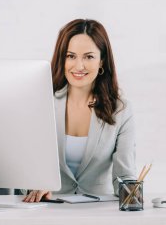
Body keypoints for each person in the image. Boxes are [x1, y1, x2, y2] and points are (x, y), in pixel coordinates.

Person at [23, 19, 136, 202]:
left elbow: (125, 176)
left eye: (89, 57)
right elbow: (25, 167)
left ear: (102, 61)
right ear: (62, 58)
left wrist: (133, 197)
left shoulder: (121, 110)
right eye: (71, 56)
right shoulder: (42, 103)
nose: (79, 66)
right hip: (49, 209)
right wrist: (34, 185)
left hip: (98, 211)